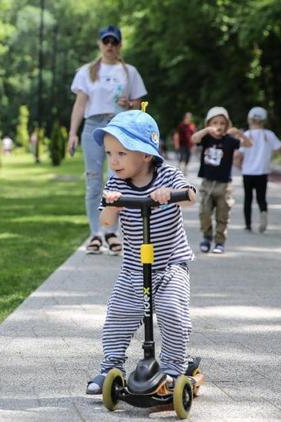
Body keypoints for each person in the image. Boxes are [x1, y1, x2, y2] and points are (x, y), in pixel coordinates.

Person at [84, 110, 197, 395]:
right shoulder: (115, 183)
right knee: (118, 315)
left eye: (121, 153)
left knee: (173, 312)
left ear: (146, 154)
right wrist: (112, 204)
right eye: (109, 153)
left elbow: (191, 196)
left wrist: (170, 194)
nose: (113, 161)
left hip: (171, 265)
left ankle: (172, 368)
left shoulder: (167, 174)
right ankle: (111, 367)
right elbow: (106, 222)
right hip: (134, 268)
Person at [67, 25, 148, 255]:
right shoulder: (87, 71)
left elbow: (141, 105)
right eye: (106, 41)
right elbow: (80, 104)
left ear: (120, 45)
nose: (110, 46)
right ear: (100, 44)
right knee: (93, 184)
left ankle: (111, 232)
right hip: (92, 127)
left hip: (119, 129)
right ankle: (95, 234)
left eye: (114, 42)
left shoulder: (129, 72)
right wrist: (73, 133)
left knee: (116, 184)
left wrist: (130, 104)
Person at [191, 107, 252, 254]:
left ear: (227, 125)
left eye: (222, 123)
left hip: (224, 185)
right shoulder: (206, 138)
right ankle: (206, 237)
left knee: (222, 215)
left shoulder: (230, 141)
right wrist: (207, 130)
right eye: (215, 122)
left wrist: (238, 133)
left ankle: (220, 241)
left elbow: (249, 144)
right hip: (207, 182)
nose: (219, 126)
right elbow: (194, 139)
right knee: (204, 212)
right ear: (209, 124)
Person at [237, 106, 281, 233]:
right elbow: (280, 149)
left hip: (247, 172)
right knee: (261, 198)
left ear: (250, 119)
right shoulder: (269, 135)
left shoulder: (246, 135)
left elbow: (238, 155)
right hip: (262, 172)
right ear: (264, 120)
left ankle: (248, 225)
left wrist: (237, 163)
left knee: (248, 199)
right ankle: (263, 212)